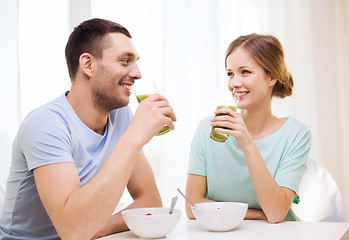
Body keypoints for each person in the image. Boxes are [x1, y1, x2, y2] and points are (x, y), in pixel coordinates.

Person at [0, 18, 176, 239]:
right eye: (124, 61)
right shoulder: (46, 124)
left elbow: (149, 200)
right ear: (88, 65)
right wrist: (134, 137)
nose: (137, 73)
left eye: (136, 62)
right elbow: (73, 232)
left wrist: (97, 227)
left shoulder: (120, 115)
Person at [185, 33, 311, 223]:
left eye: (245, 72)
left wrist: (247, 144)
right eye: (230, 74)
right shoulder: (207, 129)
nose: (234, 83)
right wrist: (258, 215)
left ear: (272, 77)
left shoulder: (296, 134)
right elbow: (192, 206)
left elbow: (276, 213)